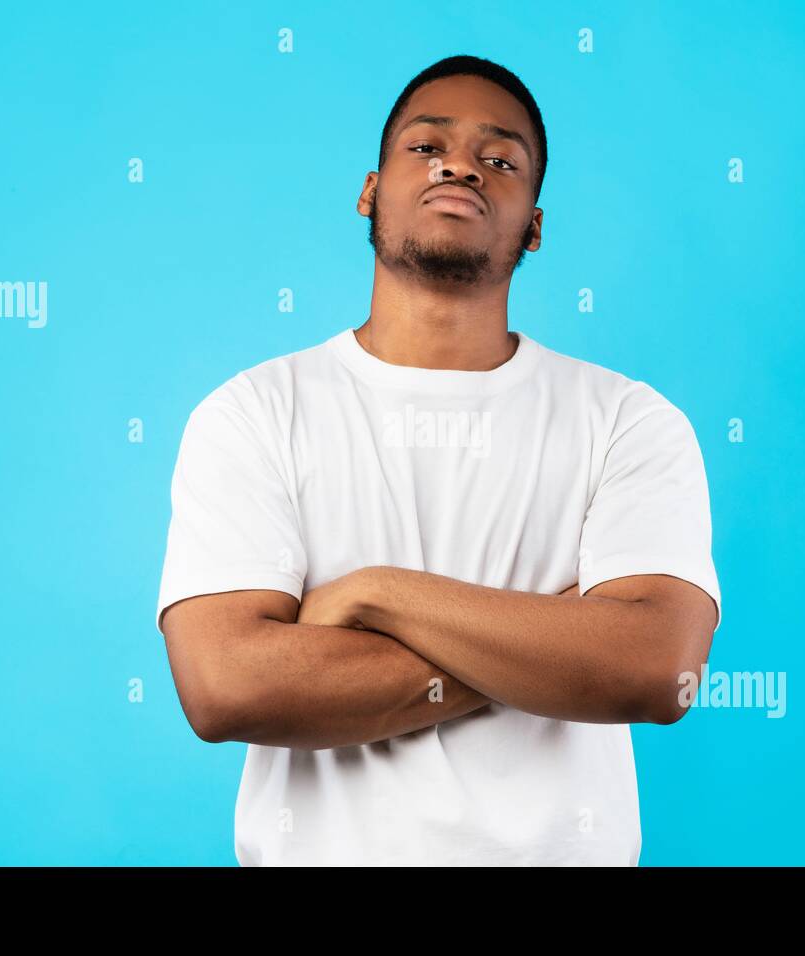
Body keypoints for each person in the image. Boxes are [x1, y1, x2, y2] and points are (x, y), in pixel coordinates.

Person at [155, 54, 722, 866]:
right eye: (426, 147)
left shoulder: (628, 420)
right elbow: (226, 687)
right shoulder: (253, 413)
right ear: (370, 191)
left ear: (533, 224)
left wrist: (374, 594)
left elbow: (656, 672)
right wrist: (560, 639)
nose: (460, 165)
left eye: (500, 160)